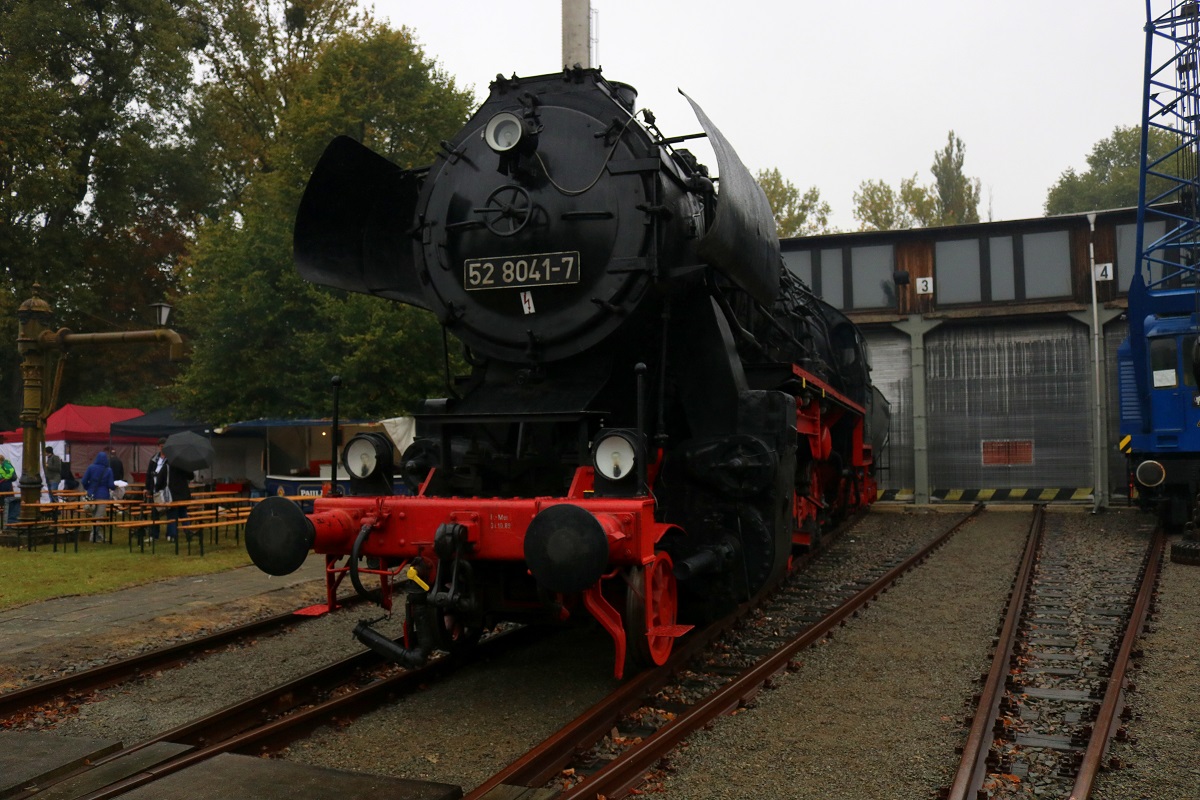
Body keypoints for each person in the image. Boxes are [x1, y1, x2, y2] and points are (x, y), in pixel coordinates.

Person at [81, 450, 116, 543]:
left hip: (91, 494)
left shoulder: (91, 467)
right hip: (103, 495)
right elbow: (111, 485)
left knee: (94, 516)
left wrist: (89, 488)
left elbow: (84, 481)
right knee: (99, 517)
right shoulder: (108, 470)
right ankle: (93, 536)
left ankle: (97, 536)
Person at [146, 439, 169, 540]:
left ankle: (170, 533)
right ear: (158, 447)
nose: (162, 448)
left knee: (169, 512)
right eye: (161, 446)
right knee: (154, 513)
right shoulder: (154, 459)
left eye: (164, 446)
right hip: (154, 489)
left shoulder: (170, 459)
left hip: (166, 489)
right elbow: (148, 474)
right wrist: (147, 488)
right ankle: (154, 534)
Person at [165, 461, 193, 542]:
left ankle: (173, 535)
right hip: (183, 494)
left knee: (172, 516)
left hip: (172, 495)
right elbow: (191, 476)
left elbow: (161, 479)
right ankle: (188, 531)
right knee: (183, 514)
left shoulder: (167, 466)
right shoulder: (184, 464)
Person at [0, 454, 17, 525]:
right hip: (3, 483)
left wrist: (6, 478)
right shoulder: (3, 464)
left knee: (6, 498)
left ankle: (7, 517)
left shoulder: (5, 464)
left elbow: (11, 471)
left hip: (5, 484)